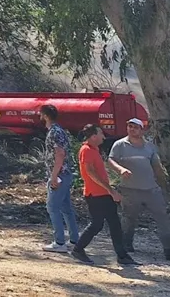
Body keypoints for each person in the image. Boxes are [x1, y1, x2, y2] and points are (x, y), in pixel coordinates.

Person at [108, 117, 170, 261]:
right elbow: (111, 160)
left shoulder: (150, 147)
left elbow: (156, 167)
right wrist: (120, 169)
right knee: (129, 219)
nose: (132, 129)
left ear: (142, 130)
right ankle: (126, 245)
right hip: (129, 190)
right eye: (129, 126)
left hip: (151, 189)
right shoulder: (119, 145)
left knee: (162, 218)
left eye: (135, 127)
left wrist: (163, 186)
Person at [70, 124, 137, 265]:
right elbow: (90, 173)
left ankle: (122, 256)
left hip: (102, 193)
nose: (104, 137)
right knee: (97, 224)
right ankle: (78, 249)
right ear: (93, 136)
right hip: (95, 194)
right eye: (101, 134)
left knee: (114, 223)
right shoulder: (86, 150)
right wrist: (111, 190)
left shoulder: (94, 149)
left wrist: (109, 190)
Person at [40, 104, 80, 252]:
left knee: (52, 207)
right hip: (66, 173)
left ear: (44, 115)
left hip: (60, 175)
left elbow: (59, 154)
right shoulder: (59, 130)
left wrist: (54, 176)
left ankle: (59, 242)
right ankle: (74, 239)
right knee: (65, 207)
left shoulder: (54, 132)